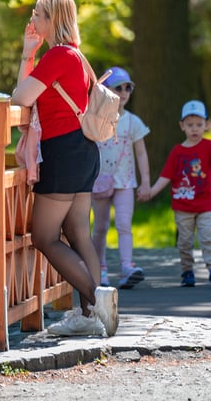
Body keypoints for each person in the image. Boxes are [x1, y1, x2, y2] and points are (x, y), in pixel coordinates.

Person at [11, 0, 119, 337]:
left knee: (44, 236)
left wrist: (28, 55)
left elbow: (20, 98)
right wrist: (31, 53)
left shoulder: (58, 55)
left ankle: (97, 300)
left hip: (62, 153)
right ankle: (91, 315)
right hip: (83, 152)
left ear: (52, 19)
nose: (33, 18)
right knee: (77, 233)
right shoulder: (76, 55)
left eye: (38, 13)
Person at [141, 100, 211, 288]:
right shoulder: (177, 151)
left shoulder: (209, 146)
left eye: (199, 124)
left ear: (206, 125)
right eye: (190, 125)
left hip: (205, 205)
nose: (194, 129)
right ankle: (187, 271)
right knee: (184, 242)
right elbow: (166, 176)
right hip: (182, 207)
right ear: (182, 126)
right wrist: (151, 192)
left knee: (208, 238)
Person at [90, 67, 151, 289]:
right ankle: (99, 267)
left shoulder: (133, 122)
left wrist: (146, 182)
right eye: (118, 88)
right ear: (106, 91)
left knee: (124, 224)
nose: (124, 92)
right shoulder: (95, 120)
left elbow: (141, 153)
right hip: (100, 181)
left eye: (128, 88)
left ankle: (127, 266)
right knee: (100, 227)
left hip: (125, 181)